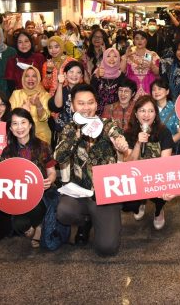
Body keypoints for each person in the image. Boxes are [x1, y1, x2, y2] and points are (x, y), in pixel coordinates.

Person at [53, 84, 130, 256]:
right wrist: (77, 133)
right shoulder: (69, 129)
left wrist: (120, 143)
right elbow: (59, 156)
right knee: (64, 212)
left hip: (104, 194)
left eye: (90, 102)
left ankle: (102, 220)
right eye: (81, 103)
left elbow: (116, 134)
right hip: (79, 192)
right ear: (73, 106)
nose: (86, 107)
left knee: (107, 248)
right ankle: (86, 221)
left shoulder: (108, 124)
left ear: (96, 104)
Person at [0, 108, 57, 243]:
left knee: (36, 207)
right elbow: (3, 176)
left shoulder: (43, 146)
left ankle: (39, 226)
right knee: (19, 224)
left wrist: (49, 180)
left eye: (23, 122)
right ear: (11, 129)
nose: (20, 127)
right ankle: (33, 224)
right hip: (19, 194)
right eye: (15, 124)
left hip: (41, 193)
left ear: (30, 125)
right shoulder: (8, 151)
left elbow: (52, 171)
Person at [123, 96, 174, 230]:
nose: (146, 115)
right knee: (128, 205)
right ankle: (141, 202)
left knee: (162, 192)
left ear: (155, 114)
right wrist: (138, 143)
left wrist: (152, 179)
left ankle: (159, 210)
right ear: (136, 114)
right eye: (142, 111)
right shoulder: (129, 133)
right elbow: (128, 163)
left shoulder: (164, 132)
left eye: (151, 111)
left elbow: (165, 163)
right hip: (136, 176)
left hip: (156, 176)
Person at [9, 66, 51, 144]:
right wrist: (23, 111)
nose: (30, 79)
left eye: (34, 76)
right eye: (27, 76)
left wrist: (38, 104)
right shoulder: (16, 94)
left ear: (38, 78)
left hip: (40, 135)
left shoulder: (45, 95)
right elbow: (10, 117)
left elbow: (44, 118)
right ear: (23, 79)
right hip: (19, 133)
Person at [48, 61, 85, 144]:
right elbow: (57, 106)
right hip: (63, 131)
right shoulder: (62, 89)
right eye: (71, 72)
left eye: (78, 72)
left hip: (81, 131)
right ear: (65, 74)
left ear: (82, 76)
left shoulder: (85, 91)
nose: (74, 75)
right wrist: (60, 84)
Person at [120, 30, 160, 95]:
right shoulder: (129, 54)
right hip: (132, 88)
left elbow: (158, 73)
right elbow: (122, 71)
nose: (139, 41)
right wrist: (125, 56)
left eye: (142, 38)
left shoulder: (152, 54)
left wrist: (151, 65)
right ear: (133, 40)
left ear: (146, 40)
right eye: (137, 38)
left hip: (149, 87)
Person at [150, 78, 180, 154]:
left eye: (159, 89)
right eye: (153, 90)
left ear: (167, 91)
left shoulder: (176, 108)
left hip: (172, 149)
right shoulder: (149, 109)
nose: (156, 92)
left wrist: (163, 146)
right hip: (151, 150)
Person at [91, 47, 125, 116]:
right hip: (97, 111)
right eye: (108, 56)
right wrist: (97, 76)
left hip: (115, 112)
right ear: (104, 58)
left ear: (119, 59)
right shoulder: (97, 72)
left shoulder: (121, 75)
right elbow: (91, 91)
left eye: (115, 56)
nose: (112, 59)